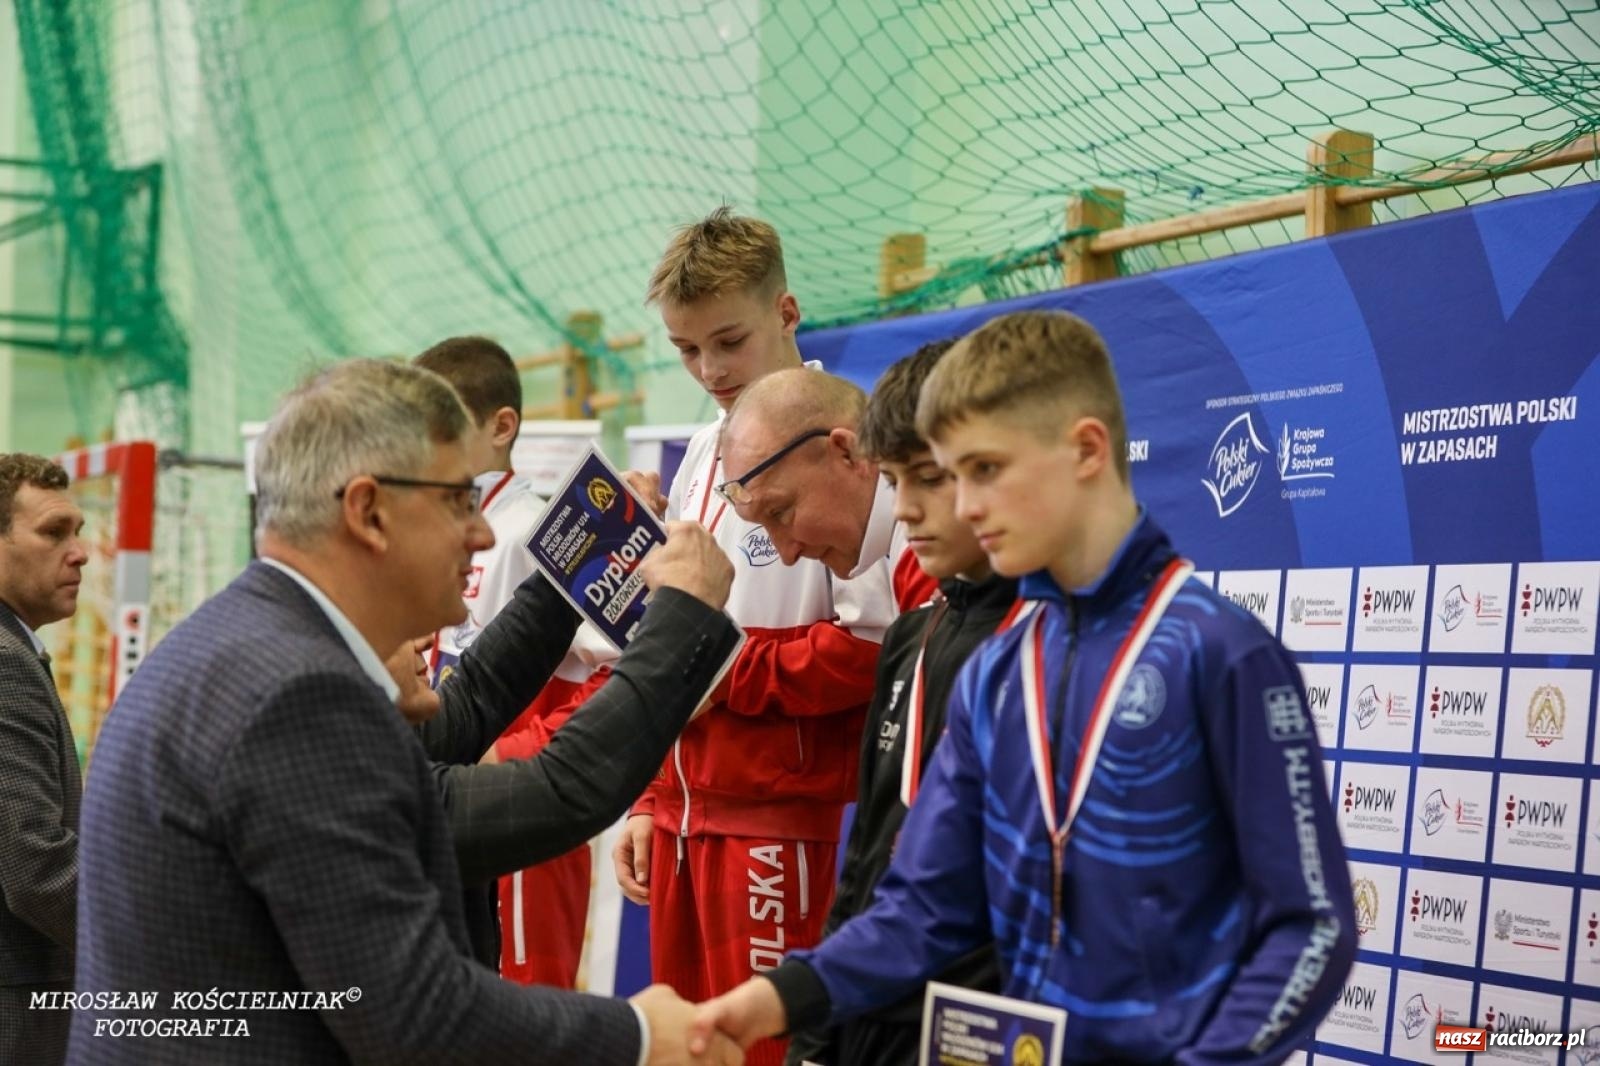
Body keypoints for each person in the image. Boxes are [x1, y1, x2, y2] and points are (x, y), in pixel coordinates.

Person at [693, 310, 1357, 1065]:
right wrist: (777, 1000)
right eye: (951, 474)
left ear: (1085, 450)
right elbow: (921, 909)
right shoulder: (998, 671)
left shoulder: (1221, 653)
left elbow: (1311, 930)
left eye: (984, 471)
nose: (964, 506)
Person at [70, 359, 742, 1065]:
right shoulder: (293, 697)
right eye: (459, 499)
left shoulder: (260, 641)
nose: (482, 533)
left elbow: (462, 717)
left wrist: (586, 554)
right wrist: (638, 1036)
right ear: (368, 512)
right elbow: (420, 1010)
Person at [604, 208, 907, 1066]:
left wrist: (724, 668)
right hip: (689, 813)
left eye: (728, 342)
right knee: (687, 1051)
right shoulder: (701, 451)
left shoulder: (849, 447)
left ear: (786, 313)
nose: (708, 370)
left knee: (767, 1050)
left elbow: (876, 647)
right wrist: (651, 798)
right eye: (686, 350)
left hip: (783, 816)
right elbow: (674, 627)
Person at [782, 340, 1018, 1066]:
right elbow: (869, 855)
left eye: (929, 479)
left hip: (992, 1026)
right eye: (893, 481)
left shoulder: (1056, 645)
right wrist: (815, 1036)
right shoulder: (914, 634)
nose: (907, 512)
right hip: (876, 1016)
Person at [414, 334, 595, 989]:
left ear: (502, 426)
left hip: (522, 809)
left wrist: (516, 754)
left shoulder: (534, 533)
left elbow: (606, 678)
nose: (427, 440)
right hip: (453, 806)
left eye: (444, 422)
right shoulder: (445, 528)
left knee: (527, 1009)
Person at [0, 454, 87, 1065]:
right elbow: (36, 869)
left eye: (78, 531)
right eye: (54, 533)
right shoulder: (5, 663)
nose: (79, 552)